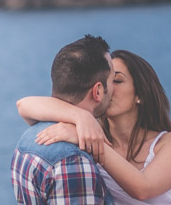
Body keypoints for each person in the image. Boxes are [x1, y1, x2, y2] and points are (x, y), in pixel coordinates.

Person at [18, 49, 171, 205]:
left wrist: (91, 140)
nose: (107, 89)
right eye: (105, 81)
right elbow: (24, 105)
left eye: (117, 80)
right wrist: (79, 116)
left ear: (140, 94)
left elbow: (143, 189)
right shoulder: (88, 129)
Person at [12, 34, 116, 204]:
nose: (114, 90)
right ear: (97, 91)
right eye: (113, 80)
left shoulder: (27, 139)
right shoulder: (73, 161)